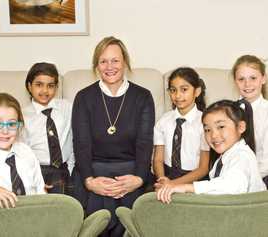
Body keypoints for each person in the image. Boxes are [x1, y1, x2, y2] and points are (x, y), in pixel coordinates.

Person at [72, 36, 155, 237]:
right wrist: (90, 181)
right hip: (94, 172)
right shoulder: (83, 97)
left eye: (115, 60)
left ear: (125, 62)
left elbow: (145, 143)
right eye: (103, 61)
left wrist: (138, 178)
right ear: (96, 66)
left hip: (131, 172)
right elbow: (81, 144)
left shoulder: (143, 97)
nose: (110, 66)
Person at [157, 99, 266, 204]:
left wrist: (186, 187)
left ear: (241, 127)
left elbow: (232, 186)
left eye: (221, 126)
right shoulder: (225, 157)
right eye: (207, 130)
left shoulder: (242, 156)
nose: (213, 135)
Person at [153, 67, 210, 191]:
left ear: (197, 91)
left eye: (184, 89)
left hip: (194, 179)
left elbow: (203, 168)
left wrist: (173, 184)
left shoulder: (205, 123)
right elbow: (158, 159)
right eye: (173, 90)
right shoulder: (163, 121)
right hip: (166, 176)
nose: (178, 95)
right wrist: (162, 179)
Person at [22, 62, 74, 195]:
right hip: (36, 168)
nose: (45, 91)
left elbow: (75, 138)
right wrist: (32, 177)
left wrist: (72, 168)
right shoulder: (22, 115)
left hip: (62, 168)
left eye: (50, 86)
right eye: (39, 85)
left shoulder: (67, 108)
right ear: (29, 86)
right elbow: (22, 151)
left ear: (56, 88)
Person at [232, 55, 268, 188]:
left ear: (263, 79)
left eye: (253, 78)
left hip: (263, 176)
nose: (247, 84)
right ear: (235, 81)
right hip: (233, 175)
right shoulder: (228, 111)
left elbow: (266, 160)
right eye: (241, 79)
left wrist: (249, 178)